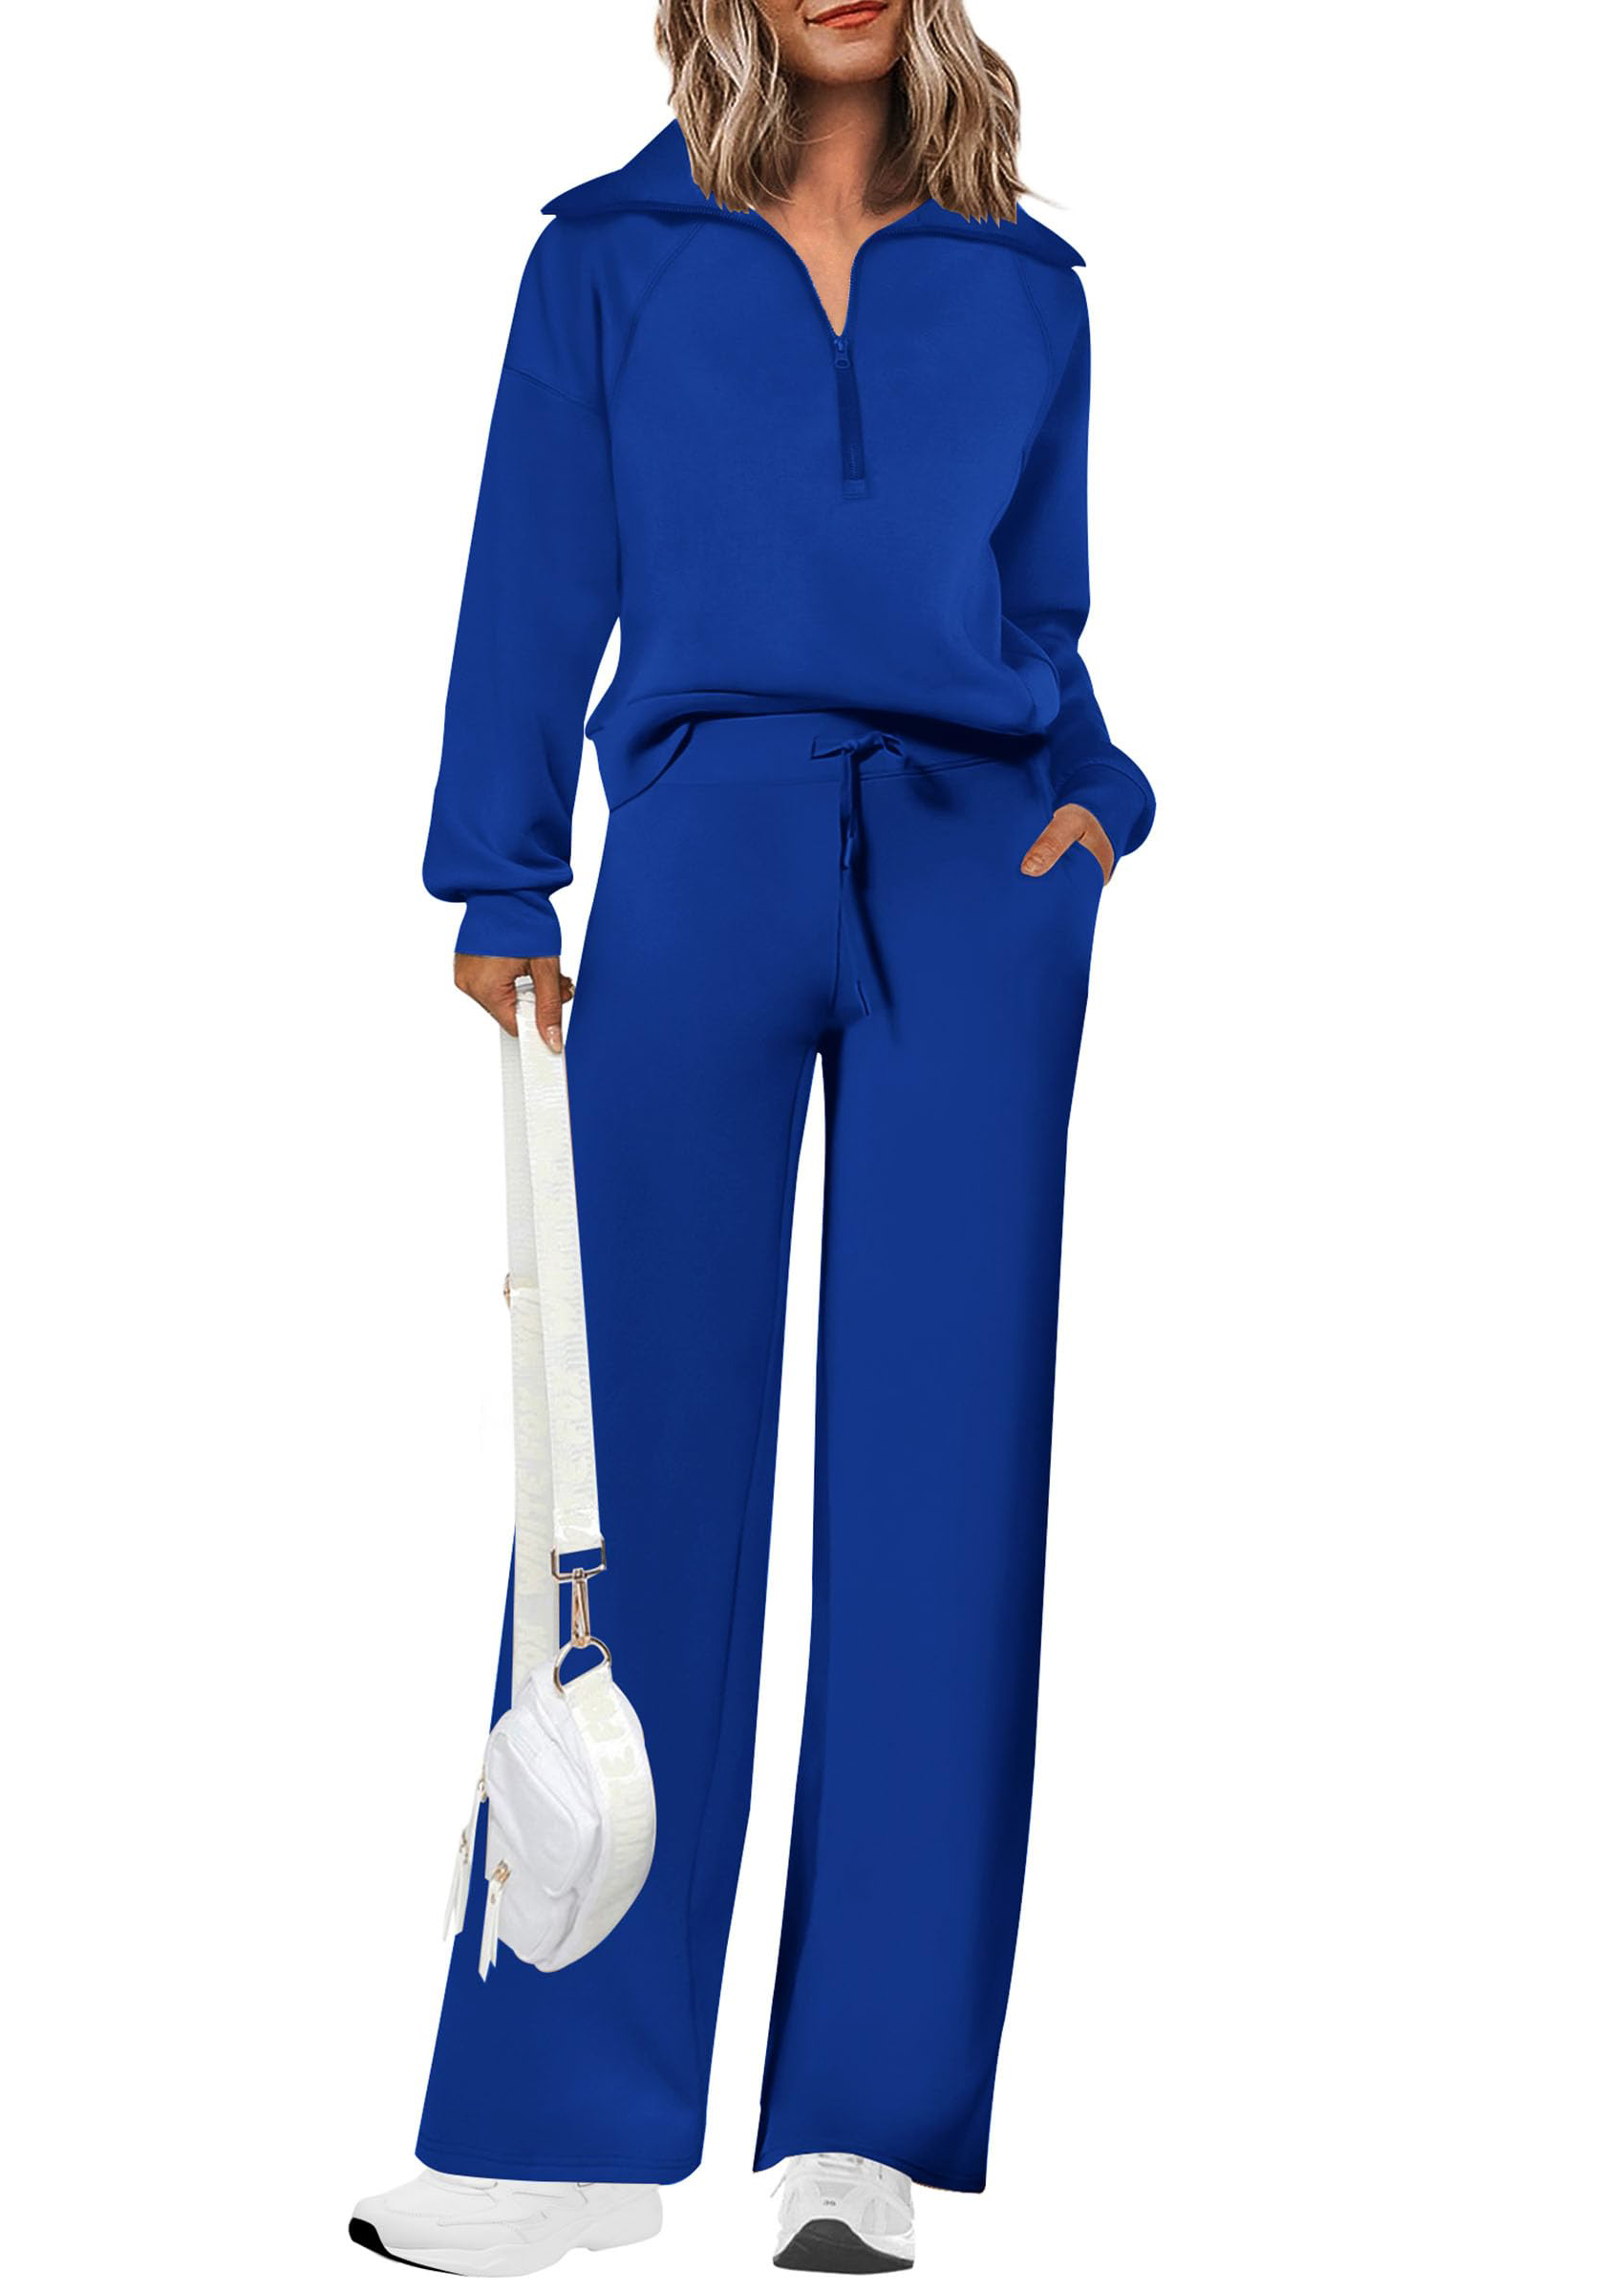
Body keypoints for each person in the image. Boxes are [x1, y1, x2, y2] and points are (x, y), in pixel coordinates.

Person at [353, 0, 1153, 2272]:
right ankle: (556, 2128)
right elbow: (535, 568)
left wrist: (1093, 804)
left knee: (939, 1490)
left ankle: (860, 2124)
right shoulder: (606, 256)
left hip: (976, 882)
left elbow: (1039, 610)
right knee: (621, 1480)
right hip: (701, 849)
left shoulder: (1024, 281)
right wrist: (499, 873)